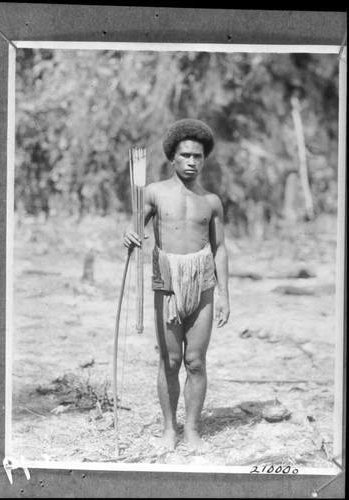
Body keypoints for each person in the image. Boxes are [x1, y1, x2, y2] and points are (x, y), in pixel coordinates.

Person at [123, 118, 230, 451]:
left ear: (204, 158)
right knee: (169, 361)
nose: (191, 162)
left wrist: (224, 293)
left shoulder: (211, 202)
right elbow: (134, 225)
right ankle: (170, 429)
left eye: (197, 156)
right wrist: (128, 233)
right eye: (185, 155)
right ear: (173, 157)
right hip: (167, 280)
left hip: (203, 280)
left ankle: (193, 430)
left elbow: (220, 248)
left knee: (196, 361)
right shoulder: (153, 192)